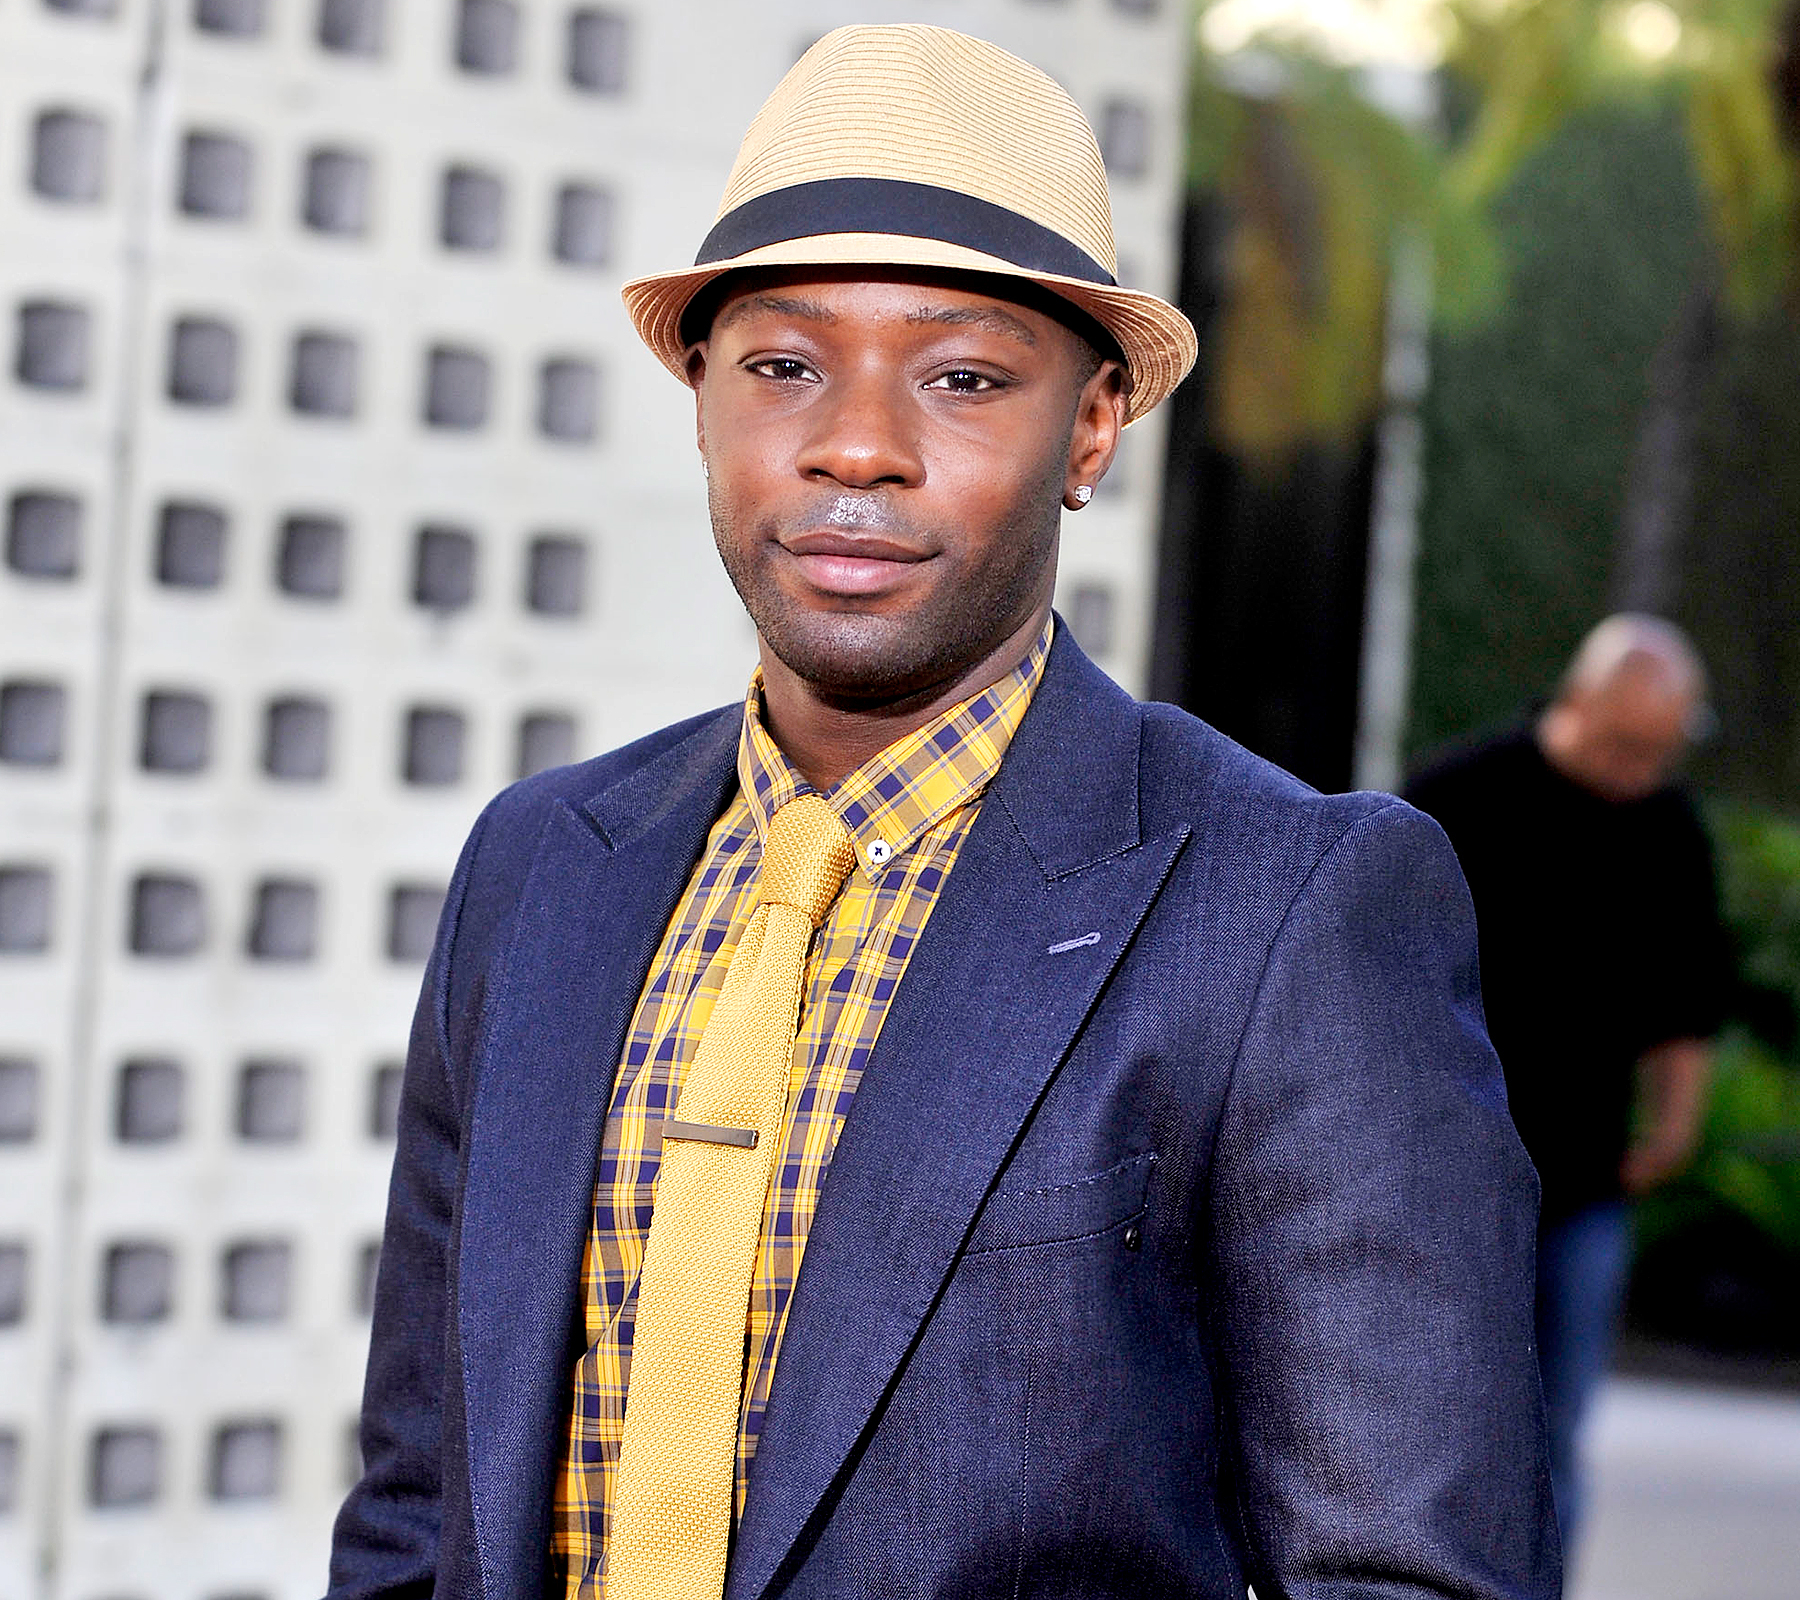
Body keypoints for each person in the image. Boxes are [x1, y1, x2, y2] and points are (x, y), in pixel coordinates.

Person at [328, 26, 1556, 1600]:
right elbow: (419, 1510)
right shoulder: (543, 864)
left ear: (1093, 428)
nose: (856, 445)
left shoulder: (1293, 910)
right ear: (701, 394)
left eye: (964, 377)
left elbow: (1404, 1573)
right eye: (783, 364)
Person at [1407, 614, 1728, 1562]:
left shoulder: (1672, 830)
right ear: (1578, 703)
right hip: (1449, 1171)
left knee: (1557, 1431)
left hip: (1585, 1178)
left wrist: (1675, 1124)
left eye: (1658, 753)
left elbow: (1691, 996)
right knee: (1432, 1416)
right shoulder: (1460, 794)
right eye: (1628, 746)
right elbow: (1369, 970)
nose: (1640, 770)